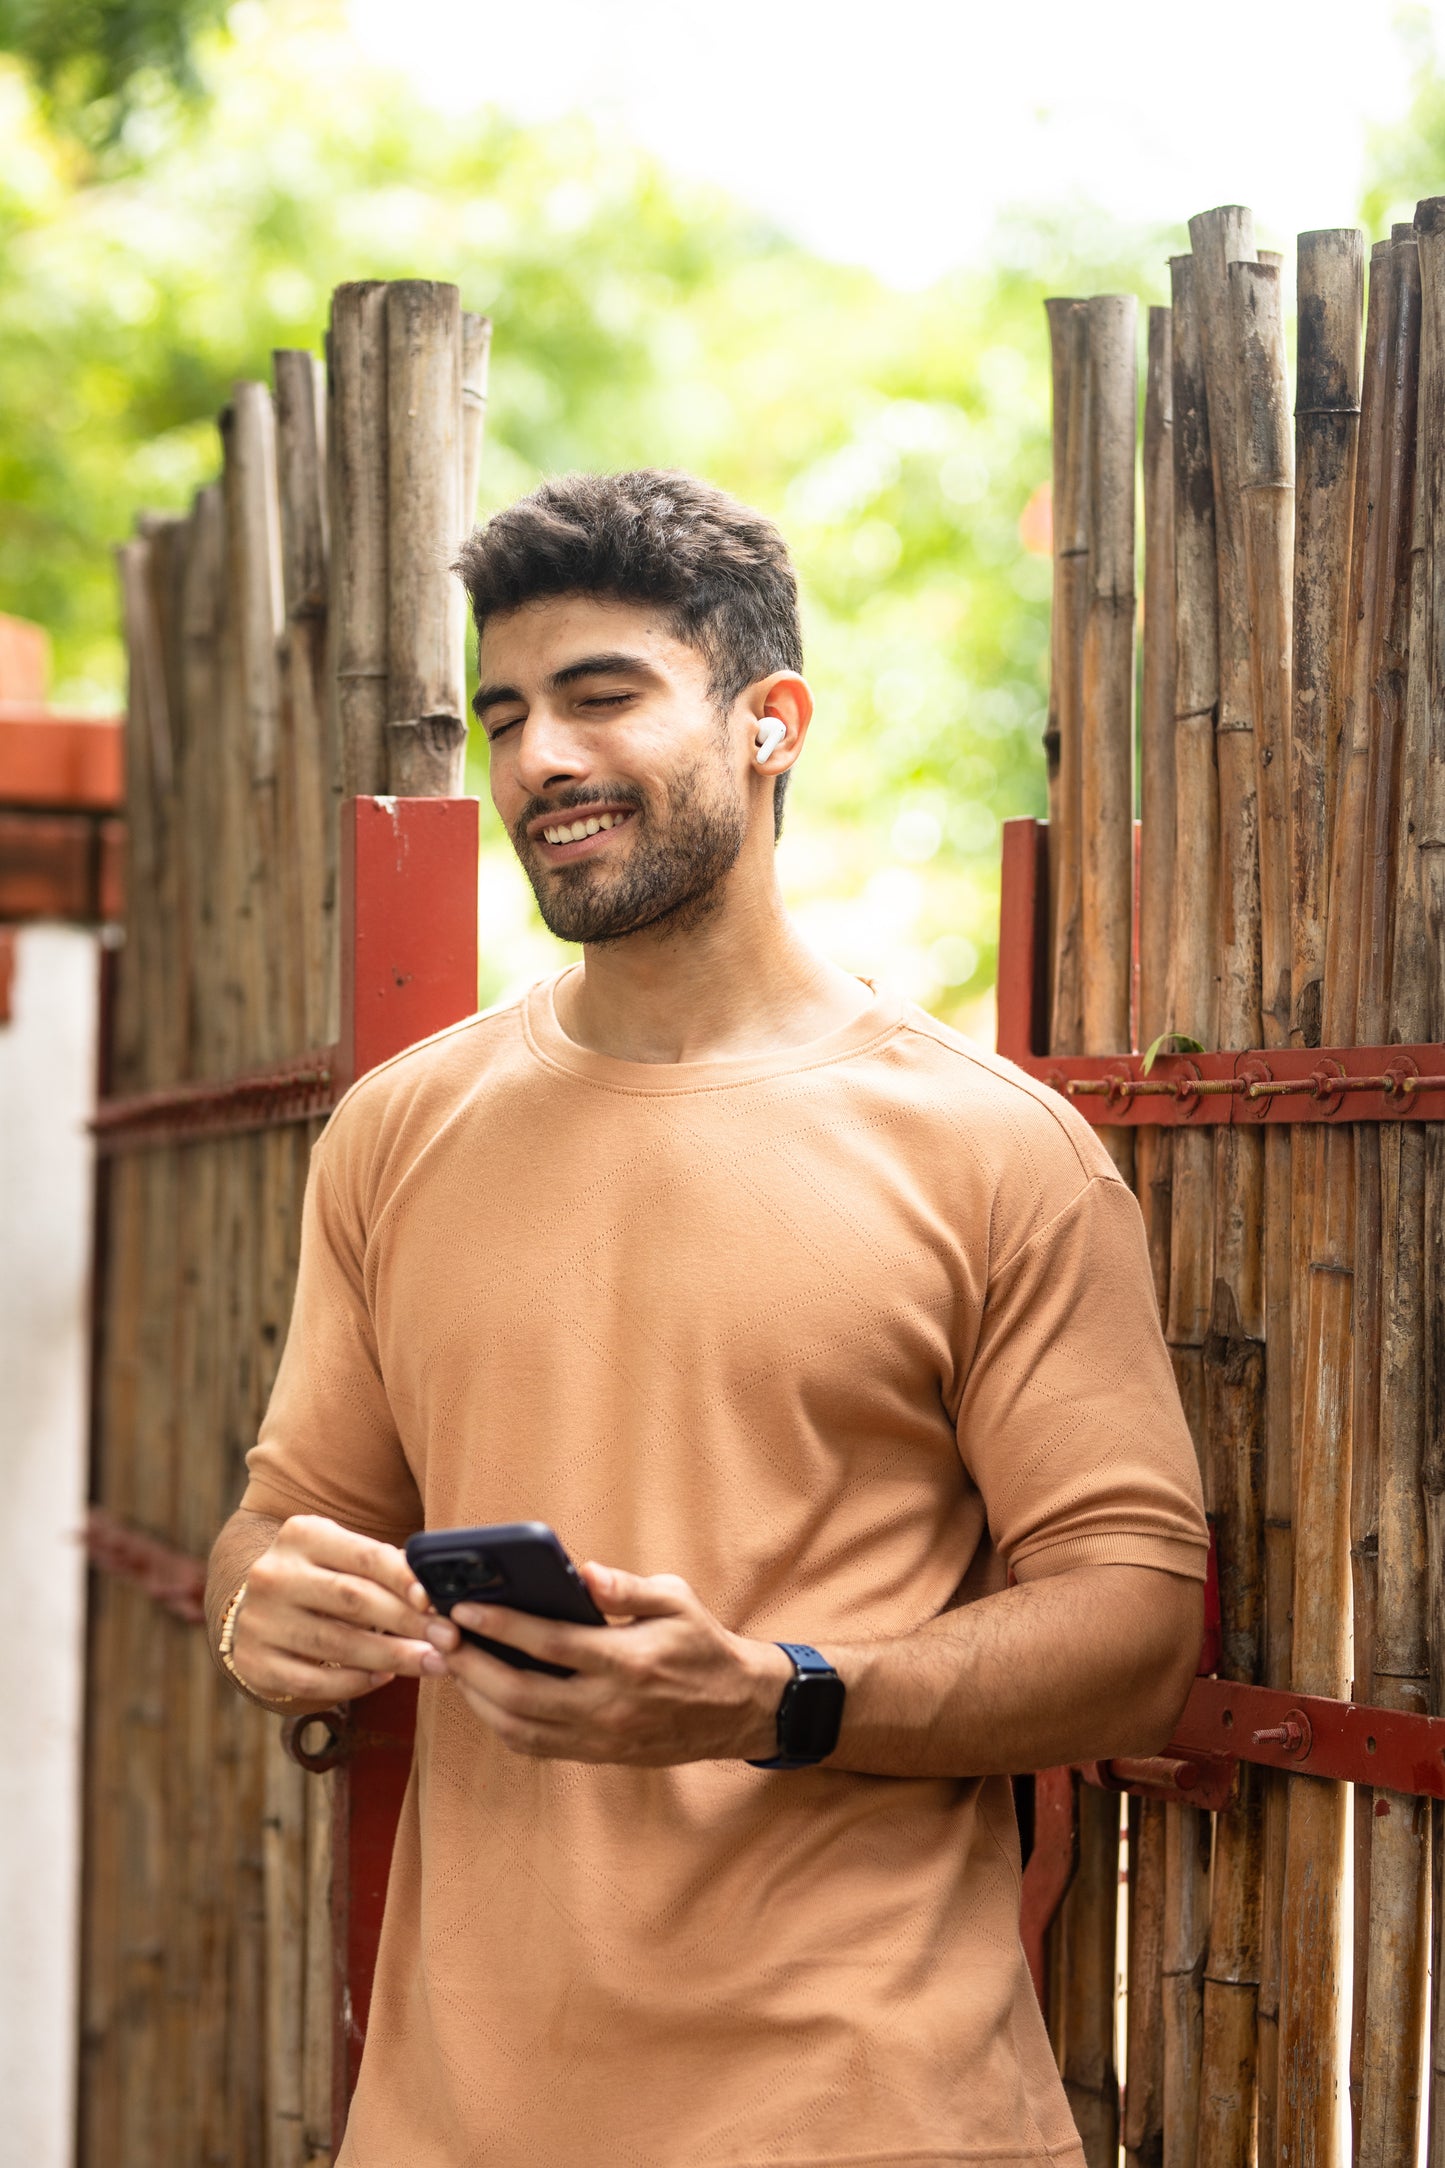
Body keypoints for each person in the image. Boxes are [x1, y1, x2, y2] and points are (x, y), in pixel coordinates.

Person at [206, 469, 1208, 2168]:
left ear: (769, 722)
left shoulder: (992, 1150)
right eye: (508, 713)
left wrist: (773, 1695)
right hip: (456, 2125)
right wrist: (264, 1616)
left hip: (865, 2114)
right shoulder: (398, 1128)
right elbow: (276, 1526)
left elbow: (1135, 1628)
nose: (539, 760)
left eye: (603, 697)